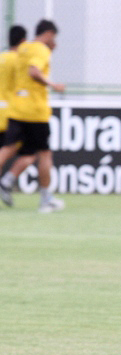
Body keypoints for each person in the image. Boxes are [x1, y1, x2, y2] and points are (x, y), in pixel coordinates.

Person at [0, 19, 65, 213]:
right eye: (54, 37)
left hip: (15, 109)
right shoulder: (41, 50)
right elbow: (34, 71)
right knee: (44, 154)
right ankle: (45, 200)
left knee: (12, 150)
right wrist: (53, 85)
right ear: (49, 34)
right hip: (34, 111)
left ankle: (7, 180)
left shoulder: (22, 49)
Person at [0, 25, 36, 208]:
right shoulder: (20, 60)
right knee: (30, 152)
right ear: (23, 41)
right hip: (11, 114)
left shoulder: (1, 58)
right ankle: (7, 181)